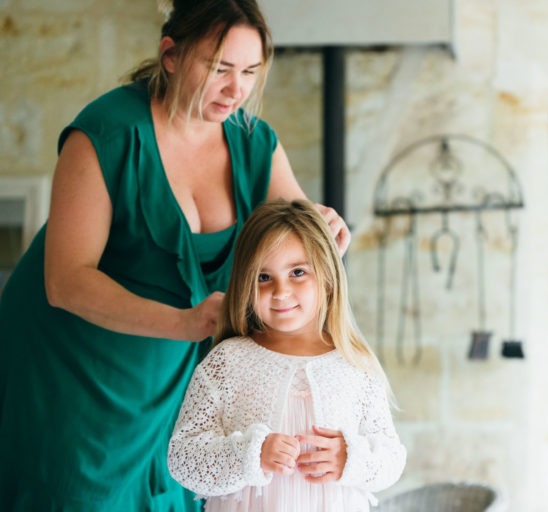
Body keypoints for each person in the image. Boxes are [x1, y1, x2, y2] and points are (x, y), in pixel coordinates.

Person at [0, 0, 350, 510]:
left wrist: (331, 234)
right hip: (77, 368)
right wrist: (185, 323)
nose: (237, 90)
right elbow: (66, 281)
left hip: (181, 380)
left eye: (250, 71)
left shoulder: (255, 144)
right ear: (170, 55)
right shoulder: (106, 133)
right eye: (219, 69)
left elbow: (297, 238)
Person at [167, 199, 406, 512]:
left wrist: (351, 457)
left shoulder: (355, 366)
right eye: (263, 278)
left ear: (329, 281)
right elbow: (183, 458)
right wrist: (251, 454)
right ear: (245, 285)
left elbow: (392, 458)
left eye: (297, 272)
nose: (280, 292)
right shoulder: (227, 362)